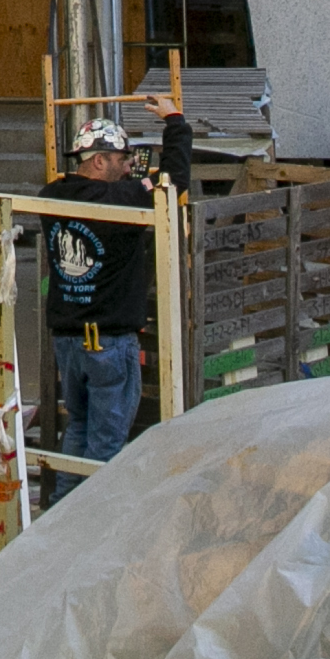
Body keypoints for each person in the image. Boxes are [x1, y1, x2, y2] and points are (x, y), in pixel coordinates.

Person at [41, 113, 197, 473]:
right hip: (108, 341)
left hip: (68, 340)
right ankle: (96, 522)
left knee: (77, 429)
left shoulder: (51, 194)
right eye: (122, 159)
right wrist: (175, 122)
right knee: (108, 443)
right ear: (99, 160)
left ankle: (66, 514)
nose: (129, 168)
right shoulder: (120, 200)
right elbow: (176, 180)